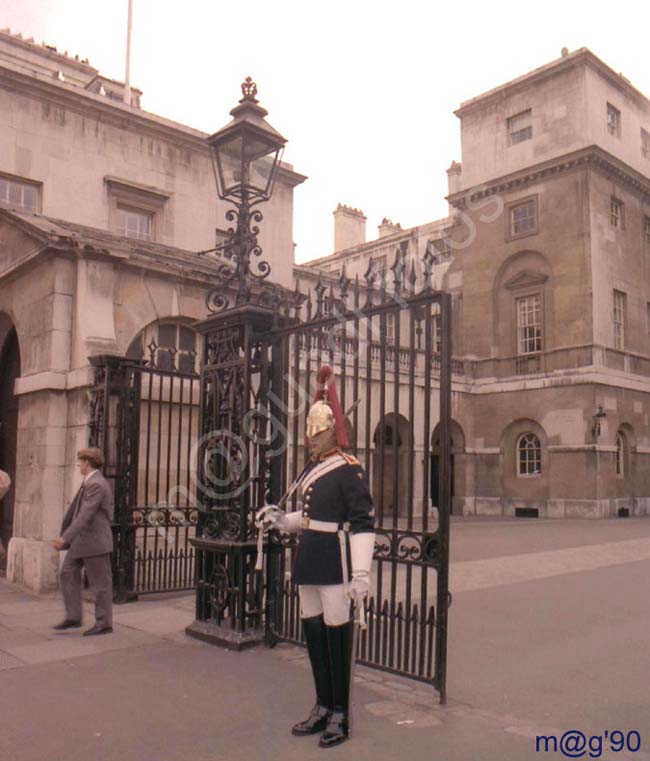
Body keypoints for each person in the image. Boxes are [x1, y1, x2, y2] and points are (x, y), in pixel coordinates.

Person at [258, 366, 375, 748]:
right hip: (309, 560)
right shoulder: (312, 468)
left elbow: (362, 523)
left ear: (335, 430)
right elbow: (310, 518)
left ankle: (341, 712)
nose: (311, 436)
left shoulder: (349, 469)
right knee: (313, 636)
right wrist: (281, 521)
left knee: (336, 638)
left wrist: (362, 573)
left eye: (319, 430)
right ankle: (322, 704)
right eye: (309, 430)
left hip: (335, 564)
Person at [51, 447, 114, 636]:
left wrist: (65, 538)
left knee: (100, 584)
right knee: (68, 572)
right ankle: (74, 617)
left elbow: (85, 514)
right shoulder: (89, 482)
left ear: (87, 462)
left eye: (80, 461)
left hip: (94, 542)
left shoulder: (97, 484)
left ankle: (104, 623)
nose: (78, 464)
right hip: (81, 541)